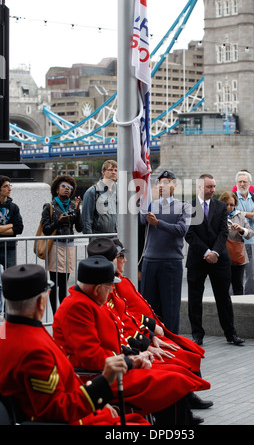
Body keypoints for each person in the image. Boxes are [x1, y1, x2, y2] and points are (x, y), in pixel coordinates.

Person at [53, 255, 210, 425]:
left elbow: (115, 338)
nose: (113, 289)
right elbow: (92, 357)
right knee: (170, 382)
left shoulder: (89, 302)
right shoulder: (78, 307)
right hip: (100, 376)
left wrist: (135, 355)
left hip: (112, 369)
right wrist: (130, 361)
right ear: (97, 289)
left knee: (173, 376)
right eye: (109, 286)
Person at [0, 263, 149, 425]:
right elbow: (56, 411)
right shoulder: (34, 351)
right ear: (40, 303)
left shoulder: (8, 332)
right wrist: (102, 384)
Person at [87, 236, 214, 413]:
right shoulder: (86, 306)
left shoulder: (111, 288)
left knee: (182, 358)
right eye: (120, 256)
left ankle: (187, 403)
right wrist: (139, 351)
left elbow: (123, 322)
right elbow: (117, 332)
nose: (124, 260)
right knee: (173, 371)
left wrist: (146, 341)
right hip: (119, 364)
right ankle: (184, 410)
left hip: (133, 349)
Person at [185, 173, 244, 346]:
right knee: (194, 298)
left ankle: (230, 333)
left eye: (214, 186)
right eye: (209, 187)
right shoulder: (190, 207)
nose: (213, 190)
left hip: (219, 259)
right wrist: (205, 251)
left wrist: (215, 253)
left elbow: (223, 232)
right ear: (200, 187)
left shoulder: (220, 206)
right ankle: (197, 334)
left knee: (223, 297)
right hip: (198, 259)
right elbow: (189, 234)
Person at [140, 170, 192, 334]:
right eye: (160, 182)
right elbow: (140, 222)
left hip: (171, 262)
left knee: (171, 308)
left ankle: (172, 341)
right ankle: (148, 343)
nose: (163, 185)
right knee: (148, 308)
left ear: (175, 185)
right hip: (149, 261)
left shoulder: (184, 206)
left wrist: (157, 223)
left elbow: (181, 230)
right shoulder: (150, 206)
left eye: (167, 182)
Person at [41, 174, 82, 313]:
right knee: (54, 283)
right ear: (57, 189)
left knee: (65, 283)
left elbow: (80, 228)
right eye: (63, 186)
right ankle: (55, 313)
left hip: (69, 246)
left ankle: (63, 313)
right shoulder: (49, 206)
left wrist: (78, 211)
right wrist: (58, 222)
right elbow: (46, 229)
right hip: (55, 246)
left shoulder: (72, 205)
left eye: (70, 188)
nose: (67, 189)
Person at [234, 171, 254, 294]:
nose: (242, 184)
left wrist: (243, 213)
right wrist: (253, 213)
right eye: (240, 182)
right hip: (236, 241)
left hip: (251, 240)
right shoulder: (233, 198)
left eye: (244, 182)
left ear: (249, 183)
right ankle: (234, 299)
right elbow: (233, 217)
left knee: (251, 275)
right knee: (235, 275)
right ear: (236, 183)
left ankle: (251, 299)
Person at [219, 191, 254, 295]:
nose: (229, 207)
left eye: (232, 204)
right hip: (222, 254)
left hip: (237, 254)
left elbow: (250, 233)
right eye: (226, 204)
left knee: (238, 285)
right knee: (223, 286)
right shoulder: (217, 215)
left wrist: (241, 230)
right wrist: (223, 230)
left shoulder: (240, 216)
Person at [0, 175, 23, 320]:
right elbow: (14, 227)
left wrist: (2, 228)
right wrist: (10, 226)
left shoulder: (13, 207)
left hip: (10, 248)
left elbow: (19, 228)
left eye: (10, 185)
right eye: (6, 186)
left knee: (10, 282)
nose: (9, 189)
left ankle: (8, 313)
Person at [82, 159, 117, 236]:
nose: (114, 172)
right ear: (103, 172)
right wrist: (91, 239)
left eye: (116, 170)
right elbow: (86, 219)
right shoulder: (92, 192)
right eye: (110, 170)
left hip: (115, 237)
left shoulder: (118, 191)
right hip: (98, 238)